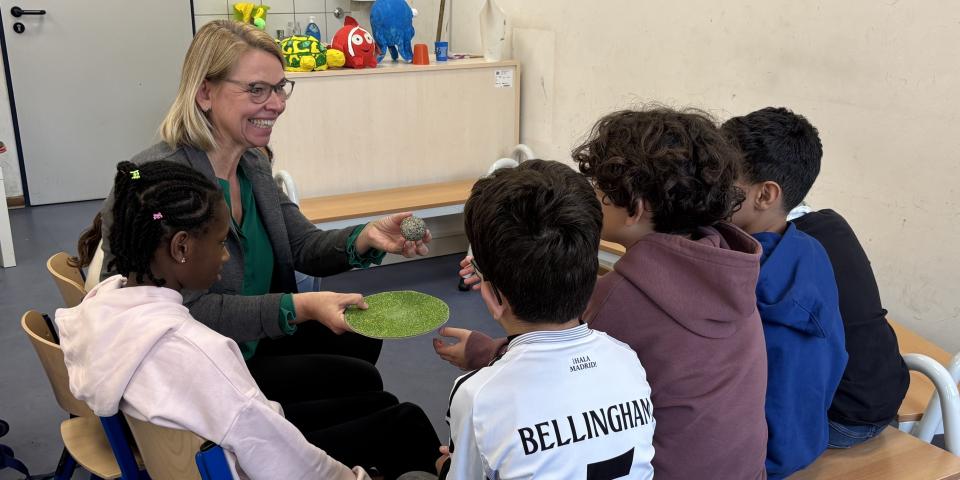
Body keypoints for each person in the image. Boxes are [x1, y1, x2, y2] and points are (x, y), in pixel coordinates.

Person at [73, 20, 435, 447]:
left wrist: (366, 238)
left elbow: (300, 244)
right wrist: (297, 306)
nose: (277, 104)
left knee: (360, 345)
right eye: (257, 90)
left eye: (281, 87)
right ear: (205, 93)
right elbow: (183, 315)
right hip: (208, 368)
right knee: (374, 392)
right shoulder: (160, 188)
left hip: (247, 342)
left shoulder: (253, 164)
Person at [435, 108, 767, 480]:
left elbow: (554, 370)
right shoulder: (727, 266)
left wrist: (483, 353)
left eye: (600, 189)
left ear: (635, 209)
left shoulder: (618, 299)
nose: (594, 195)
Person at [58, 160, 440, 479]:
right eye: (222, 243)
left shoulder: (95, 308)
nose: (225, 257)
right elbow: (288, 463)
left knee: (380, 401)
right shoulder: (203, 351)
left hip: (178, 451)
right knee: (406, 421)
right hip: (238, 463)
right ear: (182, 247)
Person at [436, 159, 655, 479]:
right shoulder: (627, 360)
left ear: (494, 298)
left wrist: (447, 467)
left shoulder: (476, 395)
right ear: (590, 276)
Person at [731, 108, 909, 449]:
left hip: (841, 418)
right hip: (887, 390)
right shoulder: (830, 224)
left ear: (766, 195)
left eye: (724, 177)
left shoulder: (773, 258)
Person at [723, 107, 848, 478]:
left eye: (725, 178)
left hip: (750, 459)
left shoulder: (729, 270)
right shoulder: (812, 250)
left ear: (765, 194)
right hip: (806, 441)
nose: (709, 186)